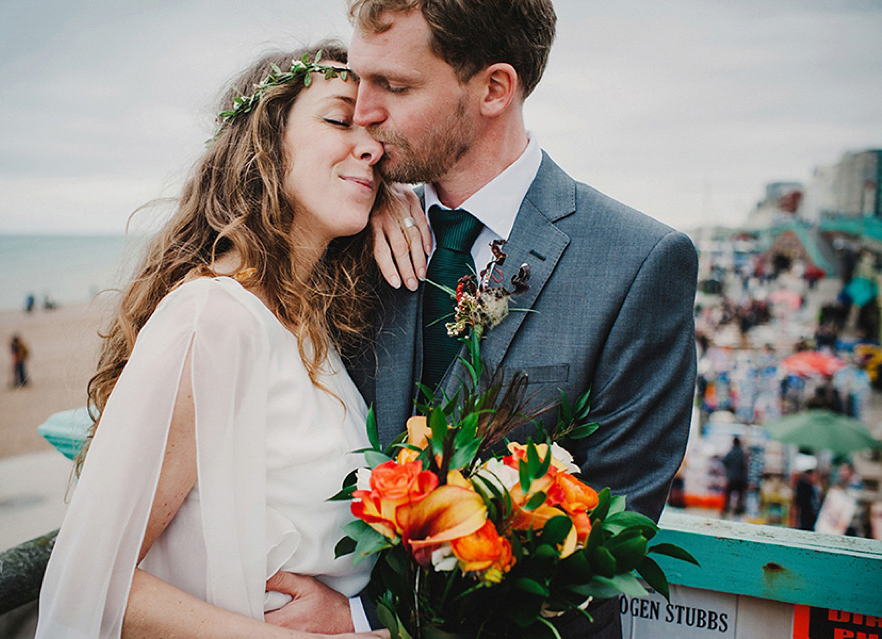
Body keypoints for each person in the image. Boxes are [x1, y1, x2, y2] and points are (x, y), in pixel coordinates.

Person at [282, 1, 698, 636]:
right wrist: (374, 198)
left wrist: (360, 620)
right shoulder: (344, 225)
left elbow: (605, 540)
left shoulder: (639, 262)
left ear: (495, 89)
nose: (363, 112)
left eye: (394, 86)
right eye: (359, 78)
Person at [35, 42, 402, 639]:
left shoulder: (309, 326)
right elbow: (87, 583)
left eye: (375, 133)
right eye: (340, 120)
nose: (372, 147)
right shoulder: (215, 318)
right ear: (264, 142)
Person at [721, 437, 748, 517]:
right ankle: (738, 511)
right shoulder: (742, 453)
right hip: (740, 478)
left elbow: (724, 461)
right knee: (740, 496)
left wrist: (729, 470)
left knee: (728, 495)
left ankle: (726, 509)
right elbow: (745, 465)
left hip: (731, 478)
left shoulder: (731, 452)